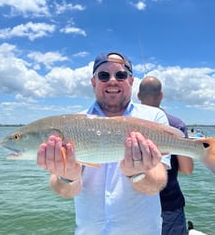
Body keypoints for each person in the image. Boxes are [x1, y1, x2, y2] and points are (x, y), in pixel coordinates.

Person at [37, 52, 171, 235]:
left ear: (131, 81)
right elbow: (66, 191)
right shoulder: (73, 123)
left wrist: (137, 174)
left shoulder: (153, 118)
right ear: (93, 83)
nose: (112, 80)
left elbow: (157, 183)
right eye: (104, 75)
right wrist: (68, 177)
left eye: (121, 75)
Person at [137, 76, 194, 235]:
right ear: (161, 95)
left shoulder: (128, 124)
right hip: (170, 204)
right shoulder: (176, 124)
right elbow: (187, 169)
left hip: (137, 207)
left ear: (138, 96)